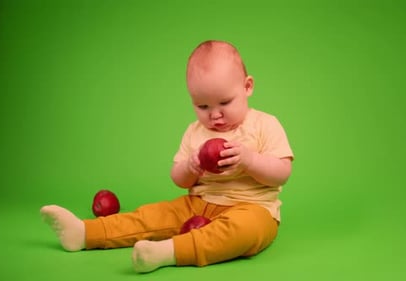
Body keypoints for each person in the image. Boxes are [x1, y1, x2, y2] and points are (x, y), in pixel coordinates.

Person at [40, 39, 294, 273]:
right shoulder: (195, 132)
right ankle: (85, 232)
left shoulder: (264, 124)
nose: (214, 115)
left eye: (225, 103)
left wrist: (250, 160)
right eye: (202, 106)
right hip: (198, 202)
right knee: (152, 215)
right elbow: (179, 179)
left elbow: (282, 172)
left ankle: (168, 252)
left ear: (247, 86)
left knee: (244, 231)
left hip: (252, 208)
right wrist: (190, 166)